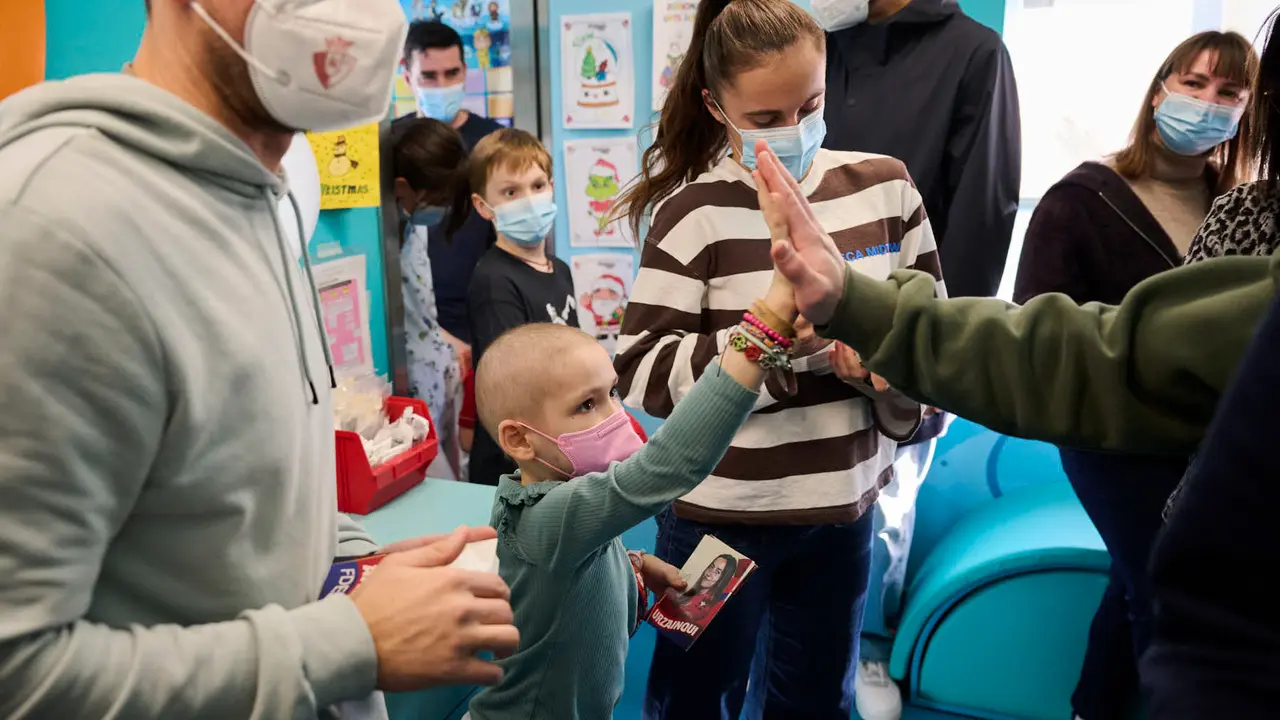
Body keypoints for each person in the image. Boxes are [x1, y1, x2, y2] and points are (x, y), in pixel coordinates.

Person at [0, 1, 519, 717]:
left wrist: (349, 564)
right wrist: (345, 644)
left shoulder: (256, 197)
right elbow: (18, 672)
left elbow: (230, 500)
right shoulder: (51, 224)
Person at [613, 1, 944, 716]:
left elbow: (935, 354)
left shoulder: (886, 189)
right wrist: (765, 347)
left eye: (810, 106)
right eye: (765, 119)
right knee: (692, 698)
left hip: (840, 515)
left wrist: (882, 372)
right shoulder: (692, 211)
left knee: (818, 700)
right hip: (716, 520)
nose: (792, 130)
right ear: (716, 106)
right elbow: (641, 371)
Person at [1011, 31, 1255, 720]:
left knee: (1133, 578)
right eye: (1194, 83)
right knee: (1163, 590)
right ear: (1158, 91)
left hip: (1199, 439)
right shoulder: (1082, 199)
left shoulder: (1241, 206)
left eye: (1229, 92)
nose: (1207, 103)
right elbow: (1035, 329)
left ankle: (1092, 708)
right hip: (1107, 434)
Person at [466, 255, 798, 719]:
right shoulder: (546, 517)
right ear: (520, 440)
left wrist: (633, 567)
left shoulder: (563, 504)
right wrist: (763, 331)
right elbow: (668, 467)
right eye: (586, 405)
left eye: (612, 393)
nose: (615, 416)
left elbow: (565, 583)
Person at [811, 2, 1020, 710]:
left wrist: (935, 345)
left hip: (903, 323)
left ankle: (868, 647)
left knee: (885, 505)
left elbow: (983, 209)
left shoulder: (972, 53)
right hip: (793, 313)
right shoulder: (814, 40)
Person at [466, 129, 577, 486]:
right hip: (516, 467)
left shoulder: (560, 270)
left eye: (537, 185)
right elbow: (514, 388)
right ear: (483, 206)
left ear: (552, 188)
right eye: (511, 192)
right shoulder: (494, 281)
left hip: (558, 451)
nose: (529, 200)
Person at [394, 20, 506, 371]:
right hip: (411, 324)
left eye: (452, 73)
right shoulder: (391, 143)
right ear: (407, 76)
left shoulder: (495, 143)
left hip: (483, 319)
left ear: (465, 72)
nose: (442, 85)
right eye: (428, 76)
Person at [392, 118, 473, 480]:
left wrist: (446, 341)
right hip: (412, 386)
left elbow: (420, 309)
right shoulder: (386, 239)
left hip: (436, 373)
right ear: (402, 188)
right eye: (439, 200)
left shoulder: (415, 227)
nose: (442, 210)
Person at [675, 554, 739, 624]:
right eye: (711, 567)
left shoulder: (706, 605)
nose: (709, 574)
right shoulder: (691, 592)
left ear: (722, 579)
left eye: (717, 572)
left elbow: (690, 615)